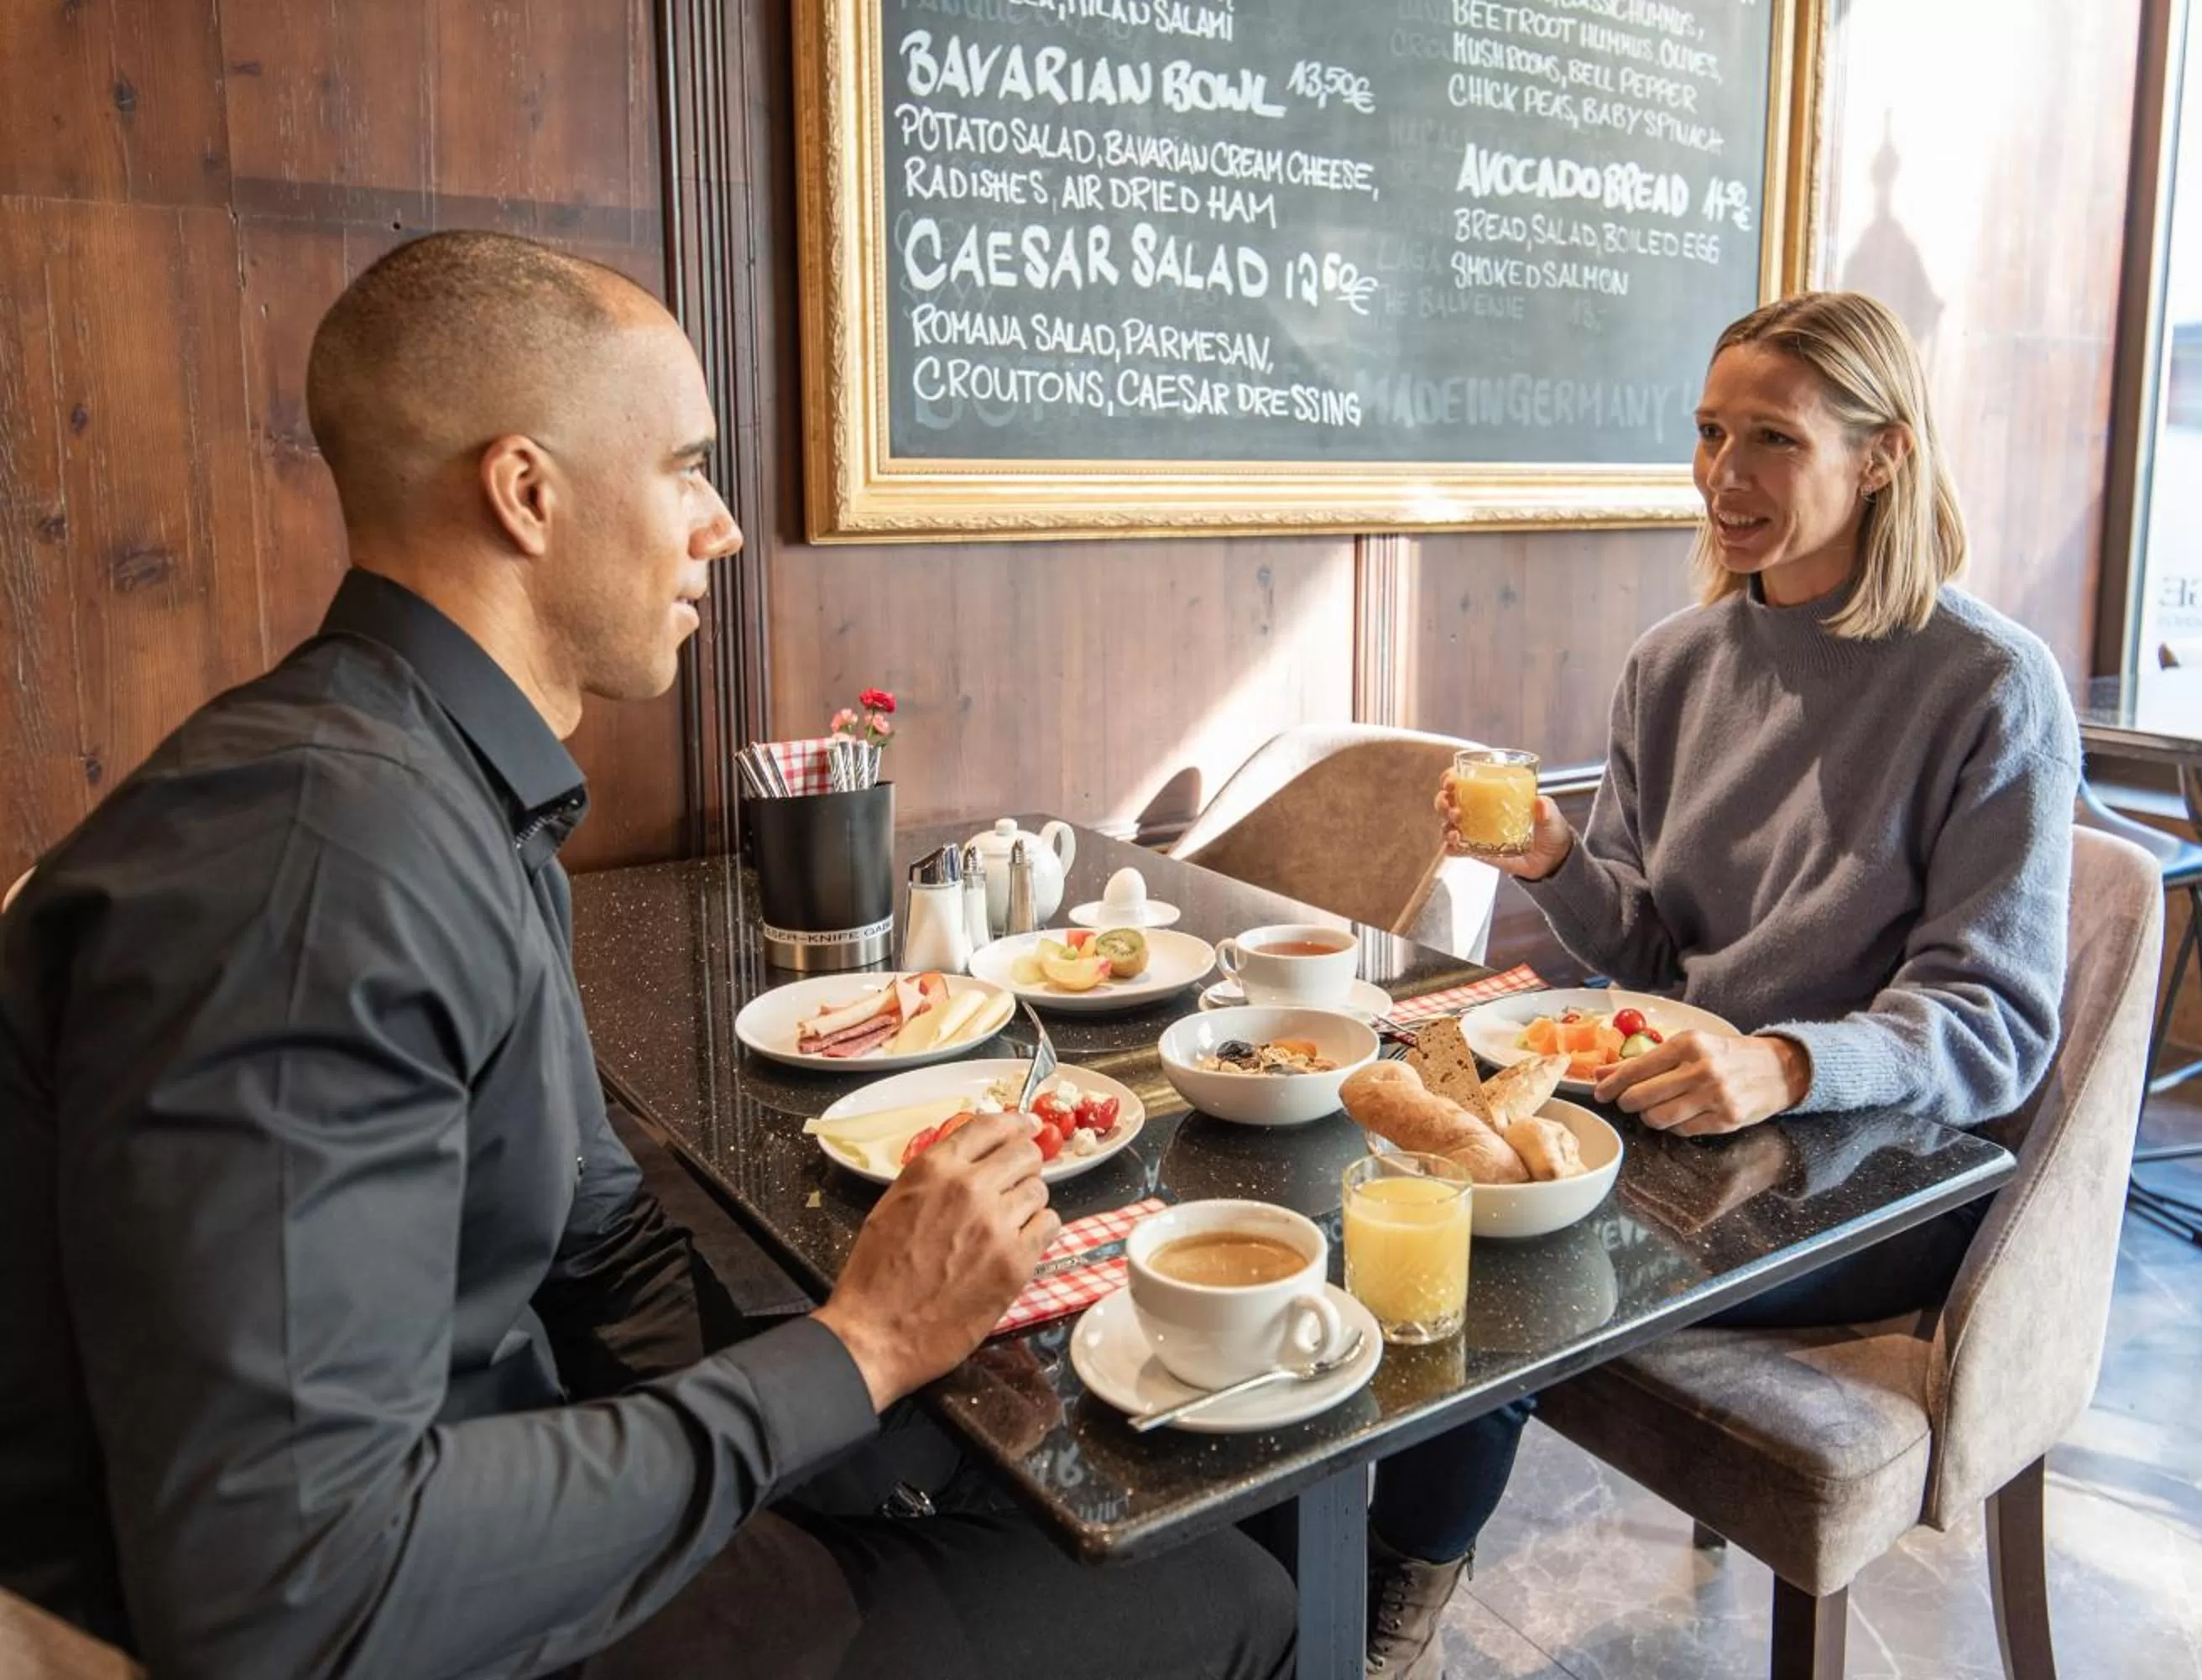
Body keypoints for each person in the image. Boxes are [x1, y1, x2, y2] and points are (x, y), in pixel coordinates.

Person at [0, 230, 1294, 1680]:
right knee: (1238, 1599)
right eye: (685, 466)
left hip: (518, 1496)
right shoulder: (314, 870)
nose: (722, 524)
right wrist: (856, 1348)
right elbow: (293, 1591)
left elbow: (601, 1247)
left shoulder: (441, 790)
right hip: (422, 1620)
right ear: (527, 492)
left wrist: (883, 1389)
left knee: (1108, 1465)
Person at [1360, 291, 2078, 1677]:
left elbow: (1996, 1019)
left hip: (1868, 1169)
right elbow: (1640, 949)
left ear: (1879, 456)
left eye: (1772, 440)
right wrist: (1562, 855)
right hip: (1680, 1120)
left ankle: (1395, 1593)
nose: (1724, 477)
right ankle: (1300, 1580)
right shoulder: (1674, 665)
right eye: (1707, 432)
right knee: (1391, 1163)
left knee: (1504, 1240)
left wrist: (1790, 1062)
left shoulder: (1992, 686)